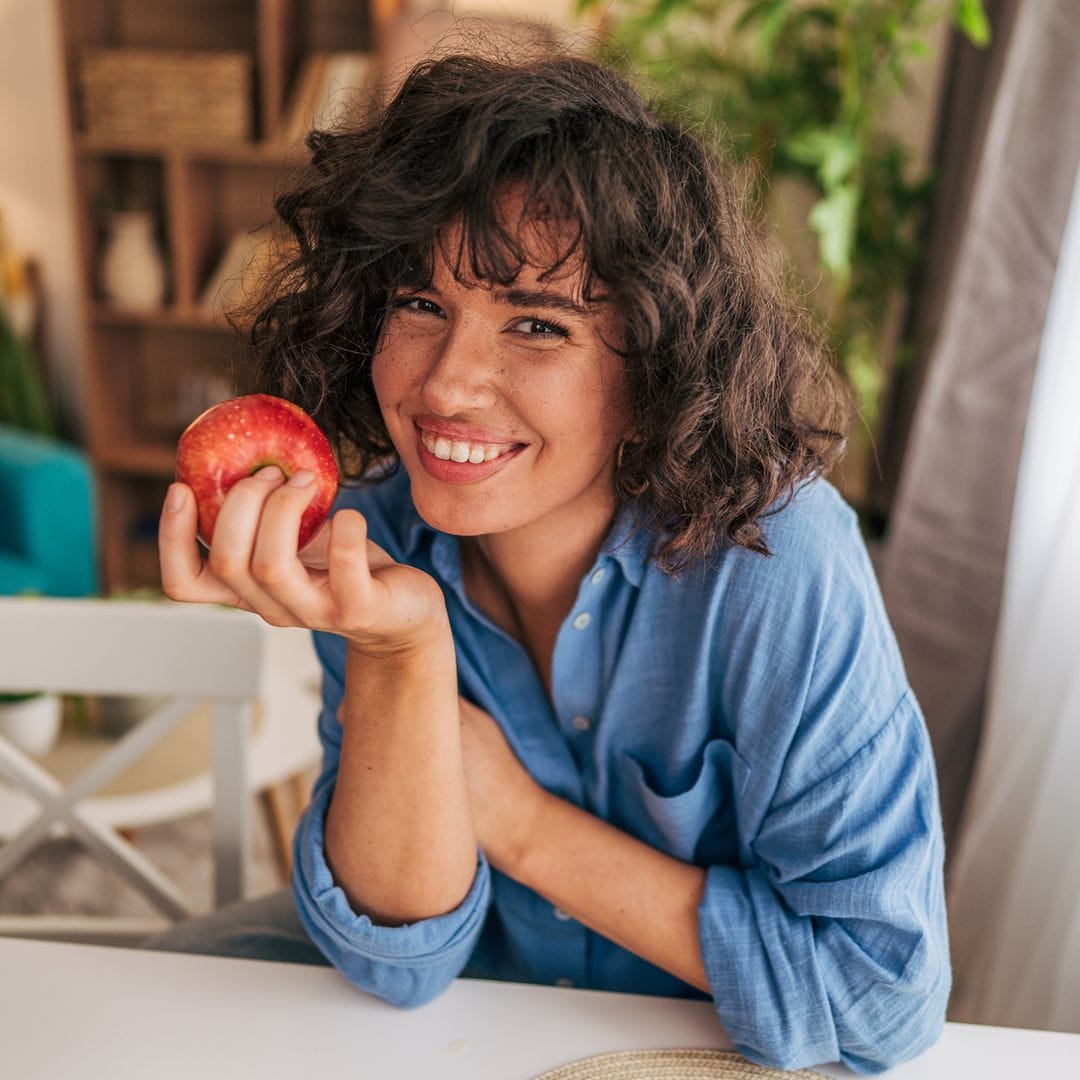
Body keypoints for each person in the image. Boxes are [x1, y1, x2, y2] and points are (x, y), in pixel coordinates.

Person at [154, 49, 950, 1074]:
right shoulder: (377, 542)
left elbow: (880, 997)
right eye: (419, 304)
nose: (449, 385)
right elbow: (397, 962)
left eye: (537, 324)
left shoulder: (776, 561)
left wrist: (522, 825)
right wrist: (403, 652)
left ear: (658, 365)